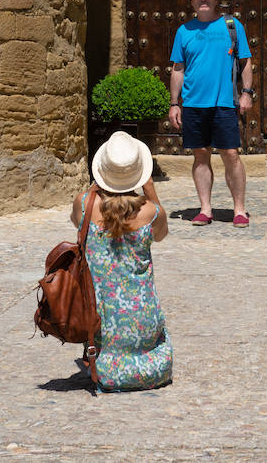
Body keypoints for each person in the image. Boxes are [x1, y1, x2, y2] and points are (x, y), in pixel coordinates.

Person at [70, 130, 172, 392]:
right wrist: (151, 192)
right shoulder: (150, 212)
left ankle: (104, 366)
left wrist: (96, 188)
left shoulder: (83, 203)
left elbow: (76, 222)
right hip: (144, 318)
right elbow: (162, 234)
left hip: (100, 318)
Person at [169, 0, 253, 227]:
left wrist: (246, 93)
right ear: (191, 1)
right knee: (201, 155)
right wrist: (175, 103)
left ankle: (239, 208)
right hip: (194, 104)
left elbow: (245, 61)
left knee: (231, 154)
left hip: (225, 103)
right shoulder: (184, 31)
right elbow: (178, 69)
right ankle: (205, 209)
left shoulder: (232, 26)